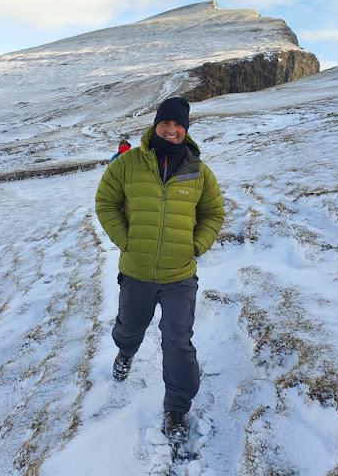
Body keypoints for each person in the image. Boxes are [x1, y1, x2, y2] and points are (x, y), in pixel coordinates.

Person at [95, 96, 224, 442]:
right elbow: (105, 202)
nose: (171, 130)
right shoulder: (127, 164)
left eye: (178, 124)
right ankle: (125, 352)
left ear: (186, 129)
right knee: (130, 326)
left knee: (178, 342)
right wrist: (127, 240)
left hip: (179, 275)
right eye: (165, 123)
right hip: (136, 270)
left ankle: (177, 408)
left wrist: (196, 245)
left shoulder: (199, 171)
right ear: (156, 125)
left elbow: (214, 214)